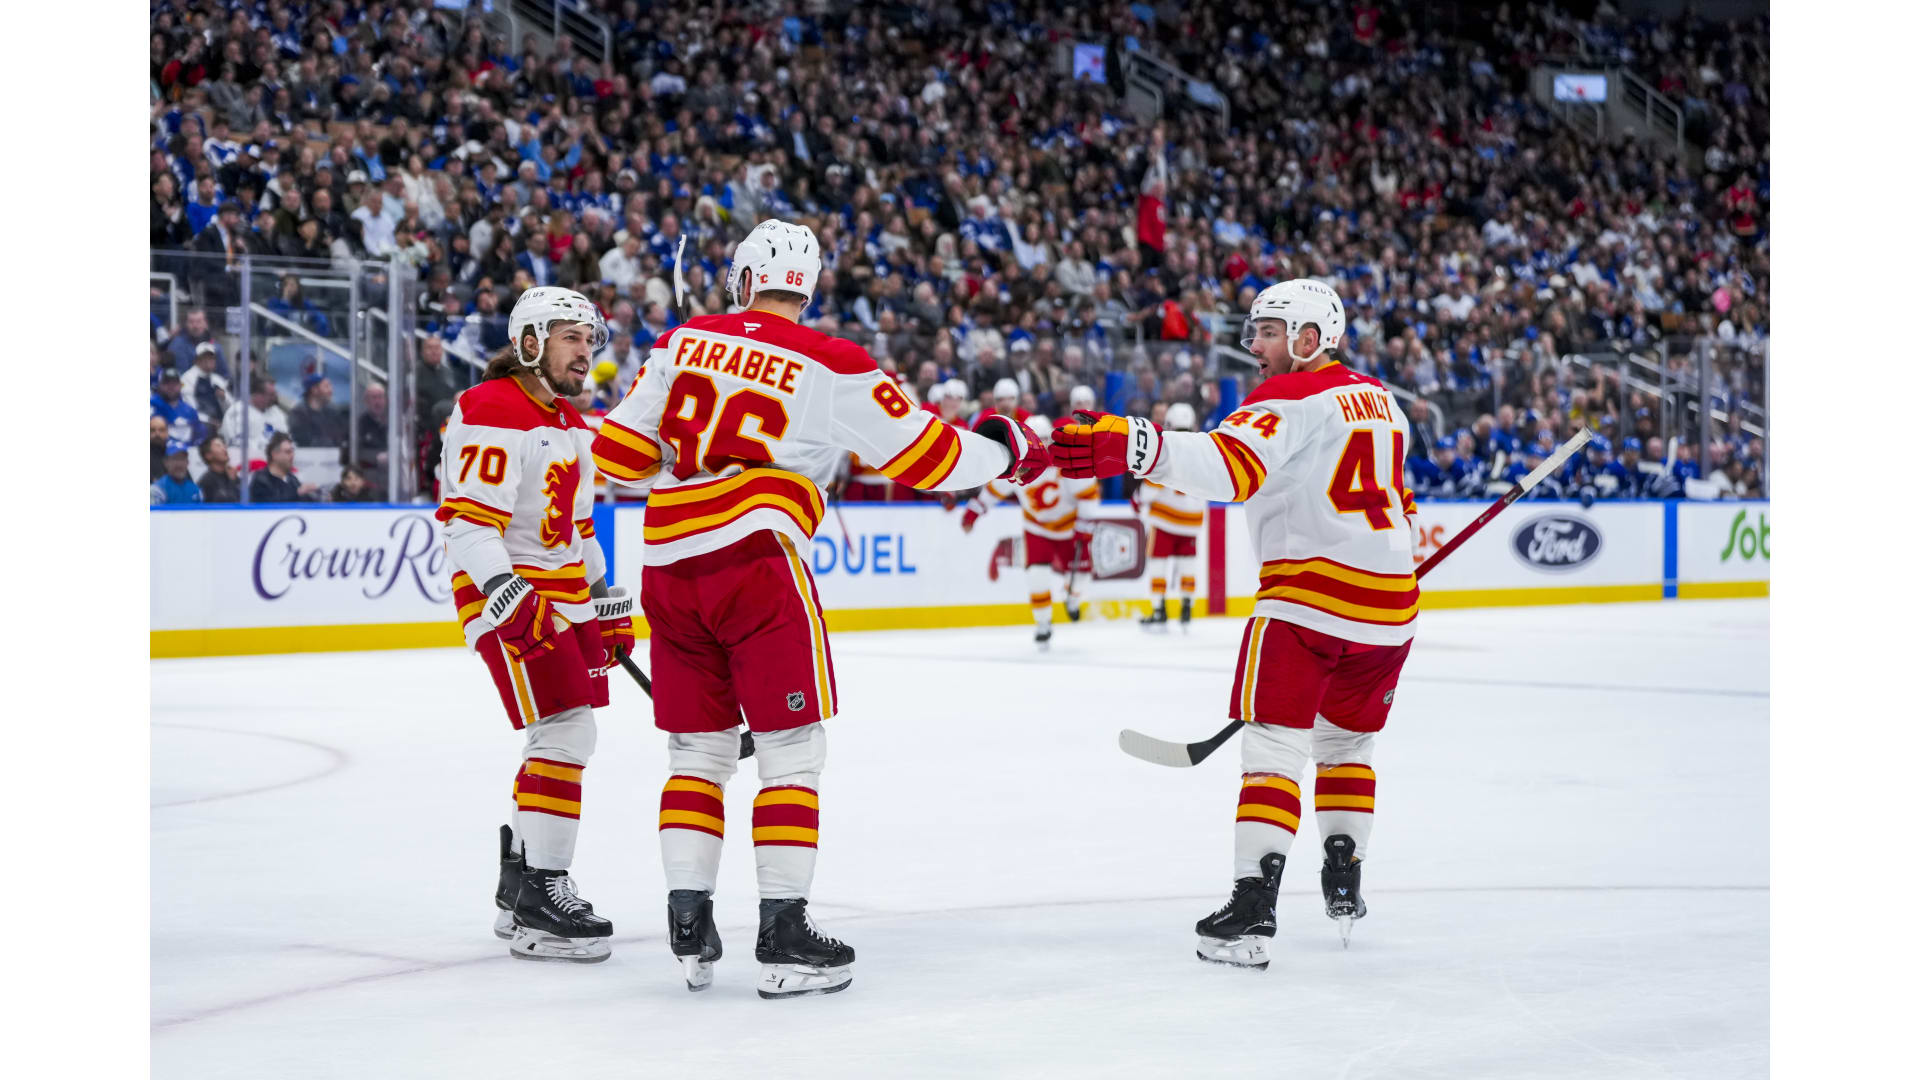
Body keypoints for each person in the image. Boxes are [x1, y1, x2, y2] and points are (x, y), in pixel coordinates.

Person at [590, 219, 1046, 998]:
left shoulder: (680, 341)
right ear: (807, 289)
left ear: (742, 280)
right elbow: (930, 457)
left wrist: (679, 448)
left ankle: (689, 921)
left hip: (667, 567)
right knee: (791, 752)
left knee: (696, 755)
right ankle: (783, 934)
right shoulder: (832, 361)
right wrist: (1006, 450)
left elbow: (616, 456)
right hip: (757, 563)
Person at [1053, 279, 1418, 966]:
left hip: (1308, 601)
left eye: (1270, 332)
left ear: (1311, 339)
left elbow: (1229, 468)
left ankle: (1252, 911)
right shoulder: (1385, 401)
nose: (1257, 346)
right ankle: (1345, 878)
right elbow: (1404, 504)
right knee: (1347, 746)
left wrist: (1137, 445)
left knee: (1274, 751)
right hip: (1390, 614)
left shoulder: (1289, 394)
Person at [435, 286, 626, 964]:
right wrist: (505, 594)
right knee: (567, 729)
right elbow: (467, 524)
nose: (585, 351)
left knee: (561, 733)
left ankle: (518, 891)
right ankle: (544, 894)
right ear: (529, 342)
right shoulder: (491, 407)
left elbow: (579, 528)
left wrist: (603, 597)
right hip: (507, 590)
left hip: (563, 590)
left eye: (588, 339)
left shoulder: (572, 422)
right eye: (570, 336)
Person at [959, 415, 1097, 646]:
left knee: (1080, 578)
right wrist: (974, 511)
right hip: (1037, 528)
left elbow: (1088, 496)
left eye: (1045, 440)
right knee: (1036, 576)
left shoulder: (1068, 461)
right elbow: (994, 491)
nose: (1042, 447)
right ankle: (1043, 624)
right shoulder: (1016, 466)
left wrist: (1085, 526)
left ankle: (1072, 599)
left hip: (1070, 528)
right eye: (1036, 441)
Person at [1135, 402, 1206, 630]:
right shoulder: (1204, 450)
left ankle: (1159, 610)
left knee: (1158, 564)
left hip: (1165, 519)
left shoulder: (1166, 449)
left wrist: (1138, 500)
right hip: (1192, 520)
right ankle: (1186, 608)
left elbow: (1149, 490)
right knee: (1188, 564)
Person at [222, 377, 290, 471]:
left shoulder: (276, 412)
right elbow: (235, 443)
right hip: (245, 466)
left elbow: (285, 438)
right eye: (271, 395)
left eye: (275, 394)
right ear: (257, 395)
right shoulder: (237, 411)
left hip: (274, 465)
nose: (275, 397)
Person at [247, 432, 321, 502]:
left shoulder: (292, 479)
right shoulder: (261, 480)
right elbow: (270, 504)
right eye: (288, 452)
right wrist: (298, 493)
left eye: (292, 451)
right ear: (274, 454)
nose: (292, 455)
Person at [288, 374, 347, 447]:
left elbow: (340, 438)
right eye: (326, 386)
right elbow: (304, 440)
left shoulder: (332, 412)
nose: (331, 390)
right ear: (314, 389)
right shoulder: (298, 414)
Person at [197, 435, 241, 503]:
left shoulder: (233, 476)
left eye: (223, 445)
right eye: (218, 446)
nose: (224, 448)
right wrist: (231, 482)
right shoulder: (206, 482)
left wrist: (233, 481)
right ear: (208, 455)